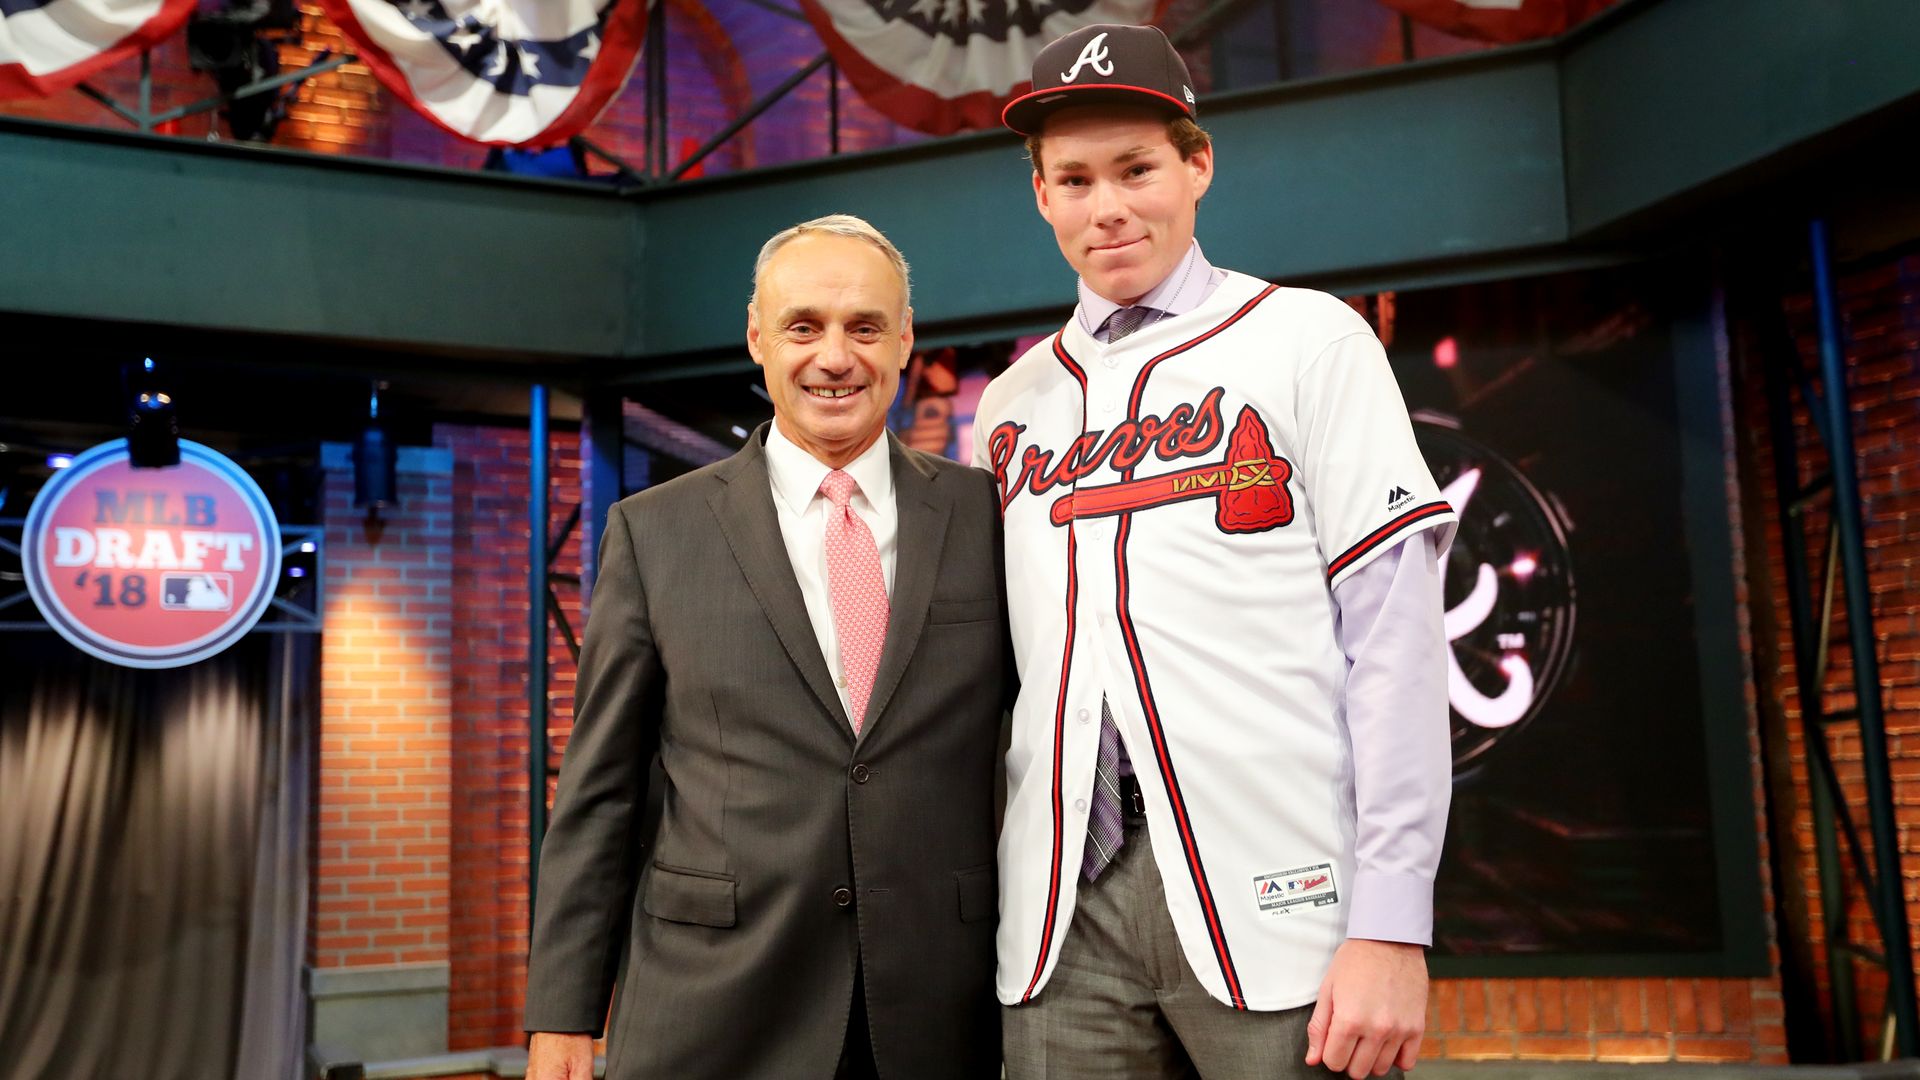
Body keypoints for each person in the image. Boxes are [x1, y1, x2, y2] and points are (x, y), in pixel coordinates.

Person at [975, 24, 1457, 1080]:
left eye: (1136, 168)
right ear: (1042, 195)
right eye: (1074, 179)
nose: (1107, 207)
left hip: (1285, 902)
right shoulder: (1010, 405)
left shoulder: (1309, 339)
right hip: (1060, 917)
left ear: (1197, 163)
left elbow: (1398, 647)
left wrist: (1392, 921)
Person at [525, 214, 1007, 1080]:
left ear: (905, 341)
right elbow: (600, 793)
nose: (835, 356)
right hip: (713, 1008)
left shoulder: (986, 516)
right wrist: (562, 1014)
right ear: (757, 338)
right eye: (803, 326)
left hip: (940, 1009)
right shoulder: (654, 532)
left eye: (864, 327)